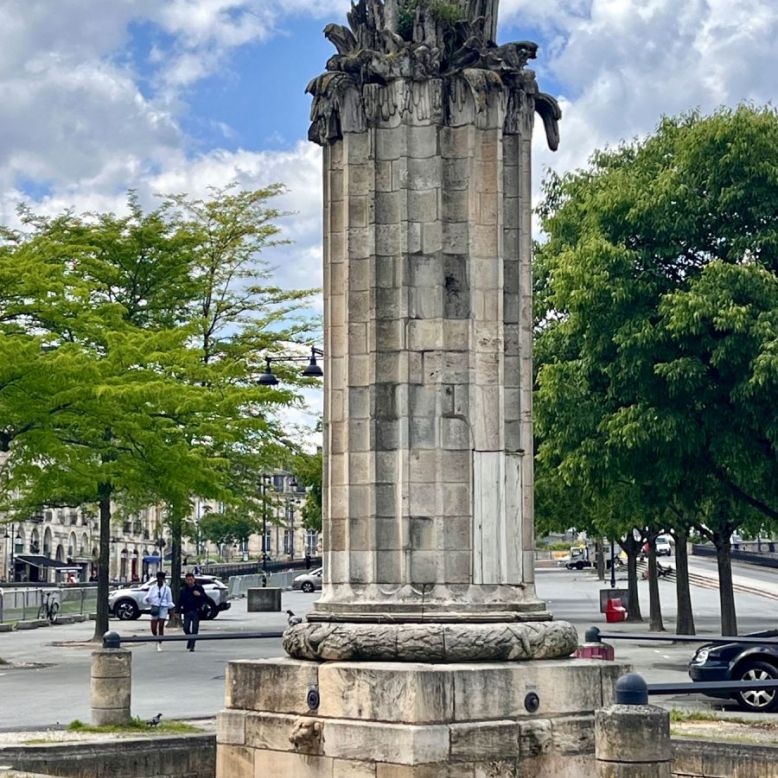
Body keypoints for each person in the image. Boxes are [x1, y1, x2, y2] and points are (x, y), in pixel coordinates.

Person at [143, 571, 174, 651]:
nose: (159, 580)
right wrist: (147, 600)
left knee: (160, 625)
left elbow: (169, 600)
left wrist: (171, 610)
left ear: (163, 579)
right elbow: (148, 597)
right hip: (155, 607)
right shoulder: (152, 588)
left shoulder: (167, 589)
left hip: (163, 607)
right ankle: (156, 638)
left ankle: (160, 642)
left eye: (161, 578)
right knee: (153, 627)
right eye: (158, 578)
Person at [177, 572, 206, 652]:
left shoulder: (199, 588)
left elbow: (205, 598)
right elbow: (180, 601)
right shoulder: (183, 589)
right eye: (188, 580)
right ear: (186, 580)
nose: (189, 581)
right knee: (186, 627)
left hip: (196, 610)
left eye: (191, 579)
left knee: (195, 628)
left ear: (194, 580)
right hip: (187, 611)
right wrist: (177, 611)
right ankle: (190, 638)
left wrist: (199, 595)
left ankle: (192, 645)